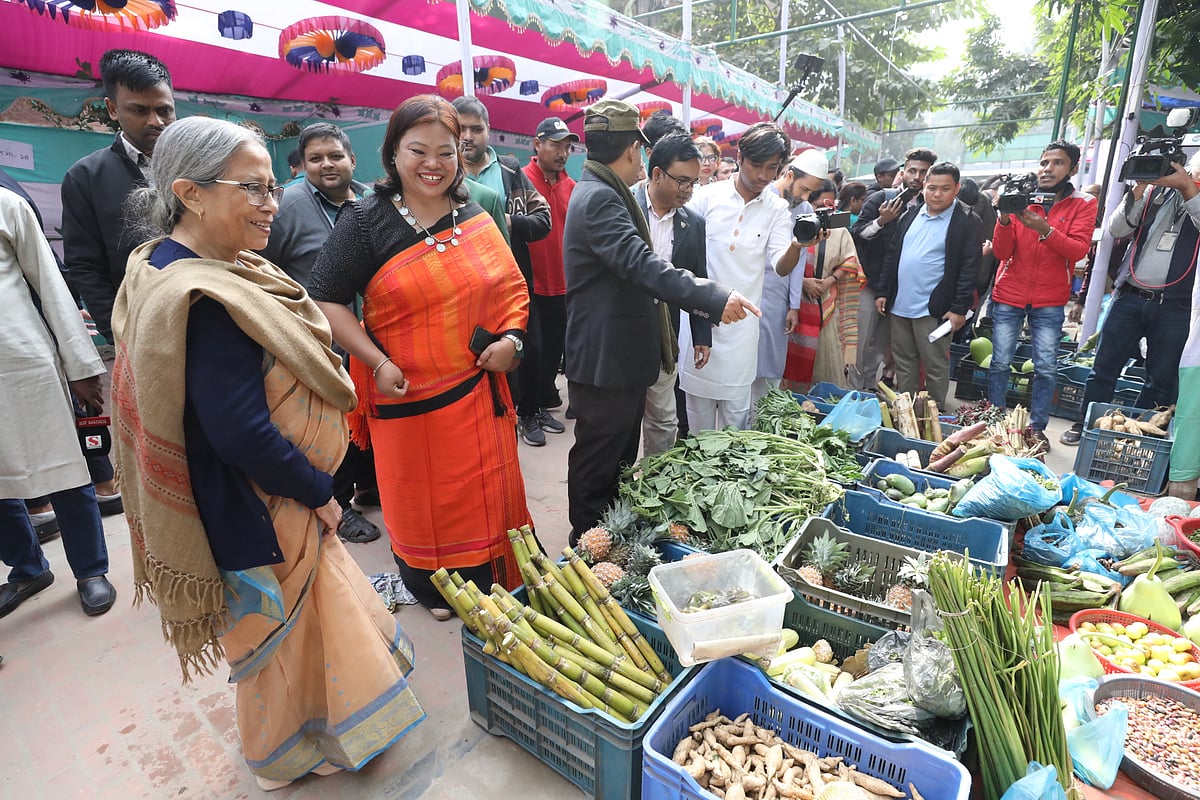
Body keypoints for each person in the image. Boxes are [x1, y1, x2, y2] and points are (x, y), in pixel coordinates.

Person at [111, 117, 423, 790]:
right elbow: (241, 432)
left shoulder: (164, 265)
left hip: (247, 495)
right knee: (286, 641)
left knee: (303, 629)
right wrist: (318, 491)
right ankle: (288, 752)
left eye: (271, 187)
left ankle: (318, 734)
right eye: (250, 189)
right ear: (191, 193)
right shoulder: (208, 299)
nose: (271, 204)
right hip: (255, 503)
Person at [308, 95, 533, 620]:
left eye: (446, 151)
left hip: (478, 395)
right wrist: (377, 362)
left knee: (481, 496)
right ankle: (434, 591)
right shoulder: (366, 219)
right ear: (392, 153)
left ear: (462, 153)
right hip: (405, 397)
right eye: (418, 150)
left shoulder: (474, 214)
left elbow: (512, 293)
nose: (433, 163)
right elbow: (326, 298)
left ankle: (491, 580)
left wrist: (513, 342)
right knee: (423, 503)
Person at [562, 98, 759, 544]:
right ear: (633, 150)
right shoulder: (600, 198)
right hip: (604, 356)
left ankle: (605, 535)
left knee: (616, 453)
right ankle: (586, 539)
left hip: (622, 355)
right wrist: (712, 295)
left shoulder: (602, 191)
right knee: (599, 455)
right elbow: (643, 265)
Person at [258, 122, 381, 544]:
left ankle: (367, 487)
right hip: (318, 346)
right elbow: (263, 269)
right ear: (303, 164)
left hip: (369, 340)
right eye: (316, 158)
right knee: (331, 427)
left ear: (352, 159)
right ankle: (339, 507)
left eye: (335, 156)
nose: (327, 164)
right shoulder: (286, 207)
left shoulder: (370, 203)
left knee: (366, 420)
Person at [0, 186, 116, 620]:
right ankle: (26, 570)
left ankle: (90, 571)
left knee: (62, 465)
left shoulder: (6, 205)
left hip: (21, 363)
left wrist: (81, 365)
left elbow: (50, 284)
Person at [1060, 152, 1199, 447]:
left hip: (1176, 305)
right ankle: (1088, 428)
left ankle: (1136, 442)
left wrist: (1188, 188)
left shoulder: (1192, 195)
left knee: (1161, 381)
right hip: (1130, 296)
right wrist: (1141, 186)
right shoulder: (1154, 191)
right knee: (1103, 369)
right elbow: (1117, 228)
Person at [682, 124, 810, 431]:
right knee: (696, 418)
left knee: (735, 420)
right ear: (739, 157)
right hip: (700, 323)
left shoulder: (777, 208)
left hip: (742, 328)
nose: (764, 176)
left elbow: (781, 265)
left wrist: (797, 245)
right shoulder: (705, 198)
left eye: (772, 168)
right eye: (757, 165)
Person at [452, 96, 555, 445]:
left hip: (511, 279)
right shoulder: (440, 175)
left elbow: (544, 220)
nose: (468, 136)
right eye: (461, 128)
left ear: (488, 131)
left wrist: (501, 221)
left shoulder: (511, 172)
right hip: (460, 287)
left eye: (476, 129)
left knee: (525, 347)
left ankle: (526, 415)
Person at [62, 49, 175, 346]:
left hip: (207, 314)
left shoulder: (197, 165)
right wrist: (118, 331)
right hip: (138, 329)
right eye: (139, 110)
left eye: (164, 110)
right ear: (113, 109)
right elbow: (85, 264)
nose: (156, 121)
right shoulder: (86, 176)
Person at [988, 140, 1095, 451]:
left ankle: (1036, 428)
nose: (1048, 169)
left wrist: (1044, 229)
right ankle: (996, 421)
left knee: (1046, 366)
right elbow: (1002, 251)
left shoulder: (1083, 203)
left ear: (1073, 168)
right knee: (999, 362)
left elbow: (1077, 250)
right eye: (1044, 162)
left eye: (1057, 163)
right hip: (1010, 292)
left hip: (1050, 298)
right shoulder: (1021, 198)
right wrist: (1005, 219)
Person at [874, 162, 981, 408]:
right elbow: (893, 254)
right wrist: (883, 291)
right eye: (932, 188)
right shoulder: (911, 214)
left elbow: (969, 268)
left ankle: (933, 413)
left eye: (945, 188)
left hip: (934, 308)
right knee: (904, 361)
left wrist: (958, 308)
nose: (937, 194)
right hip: (900, 304)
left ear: (957, 188)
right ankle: (908, 410)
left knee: (934, 363)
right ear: (923, 187)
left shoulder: (965, 220)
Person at [636, 133, 711, 455]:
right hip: (622, 329)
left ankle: (654, 486)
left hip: (665, 333)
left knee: (664, 420)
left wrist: (701, 335)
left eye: (693, 183)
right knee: (622, 420)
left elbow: (697, 278)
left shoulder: (692, 223)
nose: (688, 190)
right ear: (656, 174)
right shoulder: (623, 206)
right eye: (682, 181)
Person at [848, 148, 937, 390]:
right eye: (912, 171)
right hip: (869, 283)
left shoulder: (928, 208)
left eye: (923, 172)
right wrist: (881, 221)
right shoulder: (880, 199)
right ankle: (853, 391)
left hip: (899, 289)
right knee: (861, 341)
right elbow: (858, 234)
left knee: (881, 345)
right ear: (903, 172)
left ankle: (868, 387)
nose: (917, 177)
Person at [521, 116, 578, 443]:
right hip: (529, 282)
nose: (562, 152)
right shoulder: (521, 180)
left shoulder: (571, 187)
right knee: (533, 350)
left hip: (562, 284)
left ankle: (542, 403)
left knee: (553, 349)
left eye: (566, 146)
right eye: (555, 144)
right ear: (537, 144)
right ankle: (526, 411)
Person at [758, 150, 826, 401]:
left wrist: (793, 305)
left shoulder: (805, 207)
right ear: (789, 175)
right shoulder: (762, 197)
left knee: (772, 364)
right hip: (752, 289)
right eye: (804, 189)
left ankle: (760, 419)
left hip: (778, 296)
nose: (806, 197)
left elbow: (797, 265)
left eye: (811, 193)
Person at [790, 179, 864, 388]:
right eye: (819, 205)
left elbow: (850, 260)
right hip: (793, 302)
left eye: (829, 206)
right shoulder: (793, 222)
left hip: (825, 303)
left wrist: (828, 282)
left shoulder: (838, 228)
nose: (824, 212)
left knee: (826, 359)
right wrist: (802, 282)